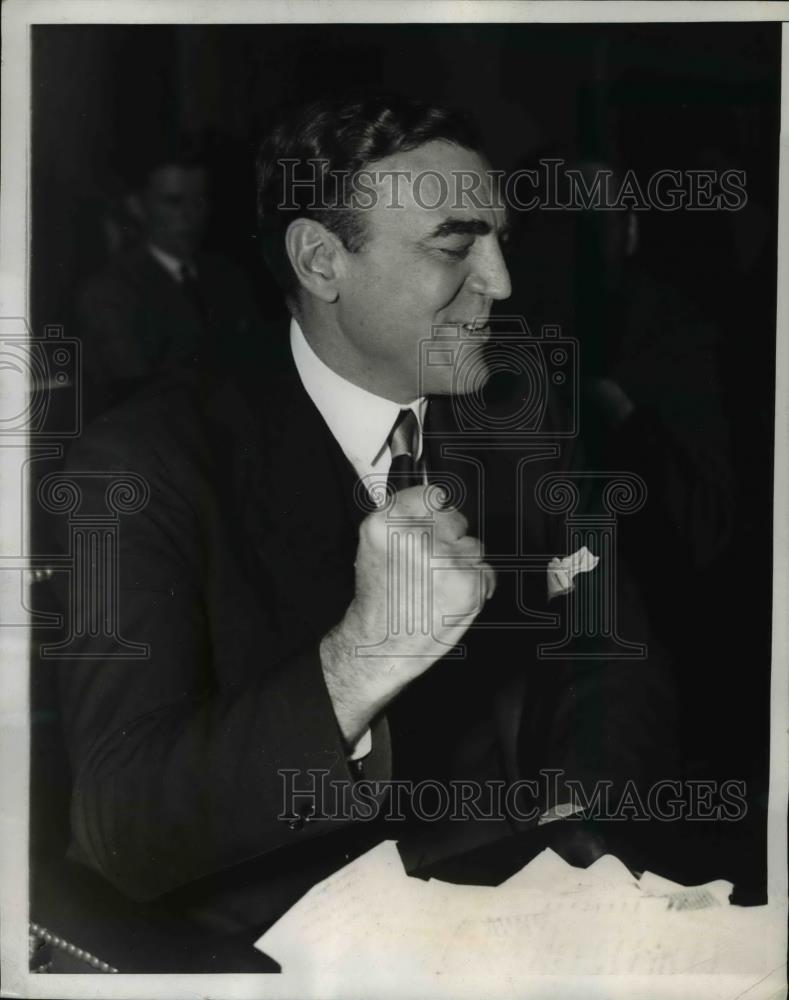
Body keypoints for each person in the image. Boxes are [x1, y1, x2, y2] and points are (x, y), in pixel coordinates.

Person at [55, 96, 676, 945]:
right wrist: (363, 659)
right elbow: (120, 828)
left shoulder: (519, 409)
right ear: (319, 262)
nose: (499, 282)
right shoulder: (142, 462)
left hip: (509, 903)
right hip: (265, 942)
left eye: (498, 239)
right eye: (454, 246)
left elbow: (607, 647)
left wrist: (576, 829)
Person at [75, 141, 264, 419]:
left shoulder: (229, 277)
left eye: (199, 200)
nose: (190, 215)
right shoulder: (109, 293)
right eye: (173, 201)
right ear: (137, 206)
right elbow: (139, 393)